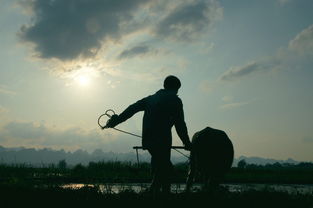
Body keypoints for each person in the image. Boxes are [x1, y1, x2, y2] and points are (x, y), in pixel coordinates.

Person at [105, 75, 192, 194]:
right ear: (175, 88)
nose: (177, 92)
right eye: (177, 90)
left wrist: (117, 120)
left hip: (148, 140)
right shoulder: (175, 100)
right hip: (162, 140)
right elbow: (180, 123)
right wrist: (187, 142)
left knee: (160, 168)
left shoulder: (151, 98)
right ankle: (162, 197)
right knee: (166, 169)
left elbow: (132, 108)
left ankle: (153, 193)